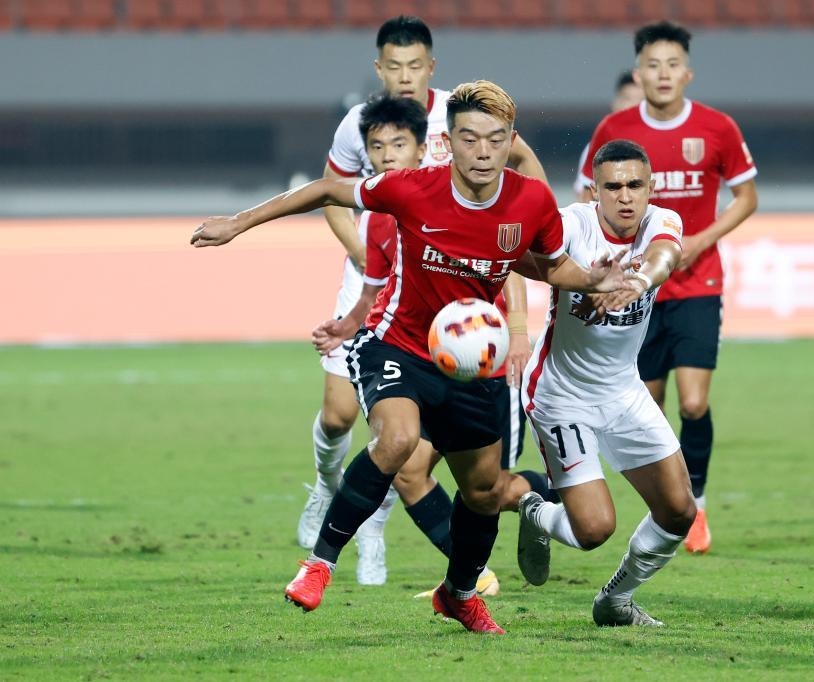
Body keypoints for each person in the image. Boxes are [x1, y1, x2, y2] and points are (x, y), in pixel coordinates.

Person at [191, 80, 629, 634]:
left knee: (484, 491)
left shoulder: (531, 201)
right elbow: (326, 190)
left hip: (471, 364)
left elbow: (546, 263)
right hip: (397, 343)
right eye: (469, 138)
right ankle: (319, 564)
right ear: (450, 139)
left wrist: (591, 279)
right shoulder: (411, 188)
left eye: (495, 139)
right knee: (397, 441)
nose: (482, 151)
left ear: (510, 140)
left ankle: (459, 595)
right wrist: (237, 223)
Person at [302, 15, 550, 589]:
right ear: (379, 69)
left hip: (457, 303)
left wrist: (518, 322)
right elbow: (330, 191)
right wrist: (363, 254)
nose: (405, 76)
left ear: (431, 68)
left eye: (415, 65)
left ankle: (504, 529)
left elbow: (510, 218)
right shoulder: (356, 124)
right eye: (395, 66)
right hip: (380, 277)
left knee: (458, 473)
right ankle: (328, 495)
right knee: (346, 419)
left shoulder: (462, 119)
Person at [578, 22, 759, 553]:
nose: (663, 74)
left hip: (698, 281)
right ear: (638, 73)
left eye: (672, 64)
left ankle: (695, 504)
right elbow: (587, 199)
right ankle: (668, 503)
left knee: (695, 402)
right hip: (634, 289)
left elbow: (747, 197)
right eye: (652, 65)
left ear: (688, 73)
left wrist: (701, 240)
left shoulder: (716, 127)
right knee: (649, 406)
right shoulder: (616, 129)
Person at [516, 139, 697, 627]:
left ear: (651, 187)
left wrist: (635, 282)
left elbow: (664, 257)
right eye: (612, 187)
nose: (625, 196)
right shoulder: (572, 226)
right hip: (562, 395)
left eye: (635, 185)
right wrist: (580, 278)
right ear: (594, 190)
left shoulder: (662, 221)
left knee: (679, 511)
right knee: (594, 529)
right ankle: (535, 511)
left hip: (623, 392)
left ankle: (616, 600)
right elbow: (516, 255)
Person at [572, 70, 644, 198]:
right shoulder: (599, 147)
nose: (633, 106)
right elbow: (585, 197)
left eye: (640, 101)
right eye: (627, 98)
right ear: (615, 102)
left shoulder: (660, 143)